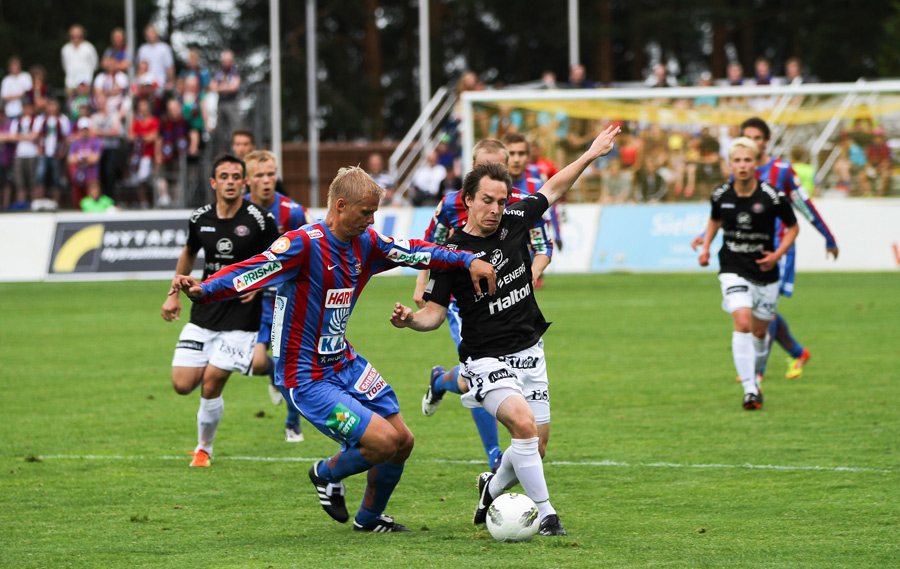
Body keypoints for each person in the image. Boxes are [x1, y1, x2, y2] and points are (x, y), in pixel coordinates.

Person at [169, 165, 496, 532]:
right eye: (366, 212)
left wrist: (468, 259)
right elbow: (251, 270)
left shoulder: (367, 242)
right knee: (383, 442)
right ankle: (325, 473)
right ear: (340, 206)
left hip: (344, 362)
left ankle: (369, 519)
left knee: (403, 440)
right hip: (305, 377)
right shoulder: (302, 244)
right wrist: (204, 289)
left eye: (374, 212)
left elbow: (418, 252)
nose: (372, 219)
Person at [391, 124, 621, 536]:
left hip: (530, 349)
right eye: (487, 201)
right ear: (467, 201)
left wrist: (589, 154)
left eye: (501, 201)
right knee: (524, 427)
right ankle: (547, 514)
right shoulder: (451, 257)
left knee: (537, 445)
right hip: (484, 358)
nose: (496, 209)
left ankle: (490, 488)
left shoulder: (515, 219)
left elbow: (553, 188)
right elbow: (434, 315)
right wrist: (412, 320)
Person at [413, 138, 554, 473]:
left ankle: (439, 381)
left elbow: (542, 245)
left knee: (470, 379)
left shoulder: (515, 204)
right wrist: (422, 286)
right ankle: (494, 454)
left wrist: (526, 275)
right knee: (480, 372)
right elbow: (429, 245)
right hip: (463, 302)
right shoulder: (450, 204)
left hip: (509, 299)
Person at [694, 118, 839, 380]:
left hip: (777, 251)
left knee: (763, 312)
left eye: (758, 138)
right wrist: (705, 237)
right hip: (743, 253)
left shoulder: (782, 170)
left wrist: (827, 237)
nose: (753, 143)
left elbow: (803, 206)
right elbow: (728, 210)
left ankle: (756, 372)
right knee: (761, 312)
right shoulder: (740, 168)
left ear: (766, 141)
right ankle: (794, 353)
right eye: (748, 137)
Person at [161, 154, 280, 468]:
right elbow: (189, 253)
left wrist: (257, 284)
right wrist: (173, 294)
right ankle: (268, 369)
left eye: (235, 176)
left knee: (212, 382)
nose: (230, 182)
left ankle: (204, 449)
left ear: (244, 182)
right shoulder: (200, 218)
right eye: (223, 176)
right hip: (204, 311)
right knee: (183, 384)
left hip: (242, 318)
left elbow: (279, 260)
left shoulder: (260, 219)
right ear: (213, 183)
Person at [698, 137, 799, 410]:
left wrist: (778, 255)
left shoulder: (771, 195)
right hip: (732, 267)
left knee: (759, 333)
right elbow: (715, 219)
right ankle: (750, 390)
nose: (742, 165)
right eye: (737, 160)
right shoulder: (721, 194)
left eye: (747, 160)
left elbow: (793, 227)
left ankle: (755, 378)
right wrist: (706, 246)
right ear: (730, 165)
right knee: (742, 323)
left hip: (765, 270)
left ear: (756, 163)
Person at [242, 149, 311, 442]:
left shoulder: (293, 212)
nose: (267, 180)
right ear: (248, 180)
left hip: (286, 297)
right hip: (255, 301)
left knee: (289, 363)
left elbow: (309, 250)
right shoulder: (239, 210)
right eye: (260, 175)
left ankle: (292, 421)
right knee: (258, 363)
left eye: (271, 174)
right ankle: (271, 375)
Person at [61, 24, 99, 96]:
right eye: (73, 36)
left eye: (78, 35)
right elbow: (64, 66)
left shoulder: (89, 48)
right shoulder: (65, 49)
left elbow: (95, 65)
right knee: (71, 106)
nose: (76, 38)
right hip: (70, 83)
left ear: (82, 35)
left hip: (86, 84)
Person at [137, 25, 175, 92]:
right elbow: (140, 68)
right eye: (149, 33)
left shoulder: (164, 48)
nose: (151, 35)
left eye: (152, 33)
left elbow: (169, 67)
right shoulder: (142, 49)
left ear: (156, 34)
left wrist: (170, 82)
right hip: (146, 85)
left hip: (161, 84)